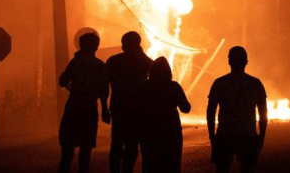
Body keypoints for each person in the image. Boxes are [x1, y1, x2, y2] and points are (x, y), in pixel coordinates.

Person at [207, 46, 267, 173]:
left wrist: (212, 136)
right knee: (248, 169)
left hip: (225, 135)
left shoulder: (219, 83)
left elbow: (210, 113)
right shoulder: (256, 84)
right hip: (248, 135)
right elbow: (263, 114)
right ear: (246, 62)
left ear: (229, 61)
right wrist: (261, 136)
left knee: (222, 169)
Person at [58, 32, 110, 173]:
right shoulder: (100, 65)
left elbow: (62, 81)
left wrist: (71, 86)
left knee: (67, 153)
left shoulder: (75, 63)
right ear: (95, 47)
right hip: (89, 110)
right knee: (85, 153)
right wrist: (104, 110)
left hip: (74, 108)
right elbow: (103, 91)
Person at [106, 31, 153, 173]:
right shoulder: (147, 62)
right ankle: (127, 170)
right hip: (137, 110)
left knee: (117, 144)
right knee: (132, 145)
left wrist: (103, 106)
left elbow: (103, 85)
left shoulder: (114, 61)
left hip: (119, 108)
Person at [136, 56, 191, 173]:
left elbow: (135, 107)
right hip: (171, 131)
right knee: (172, 163)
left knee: (149, 163)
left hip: (149, 131)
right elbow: (186, 108)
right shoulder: (174, 86)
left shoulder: (142, 86)